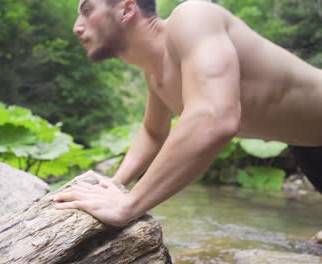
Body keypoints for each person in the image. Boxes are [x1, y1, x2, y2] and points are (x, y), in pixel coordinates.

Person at [53, 0, 322, 226]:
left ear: (126, 8)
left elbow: (215, 117)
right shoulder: (155, 75)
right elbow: (153, 133)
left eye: (87, 10)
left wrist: (128, 205)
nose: (76, 26)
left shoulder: (192, 17)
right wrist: (114, 183)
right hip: (308, 141)